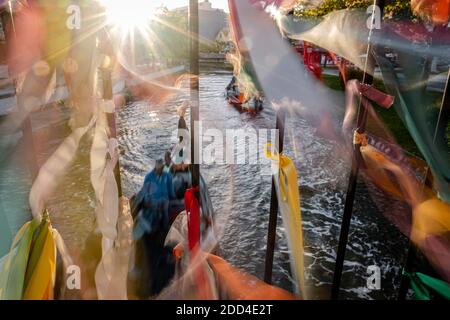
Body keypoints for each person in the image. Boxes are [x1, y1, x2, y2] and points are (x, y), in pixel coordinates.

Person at [142, 159, 176, 232]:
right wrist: (146, 200)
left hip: (165, 199)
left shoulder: (168, 176)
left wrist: (173, 196)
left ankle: (166, 231)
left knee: (165, 215)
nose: (160, 170)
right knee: (154, 215)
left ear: (163, 167)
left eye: (161, 168)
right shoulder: (149, 177)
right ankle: (154, 230)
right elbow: (145, 190)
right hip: (154, 200)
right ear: (155, 168)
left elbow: (170, 187)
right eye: (158, 169)